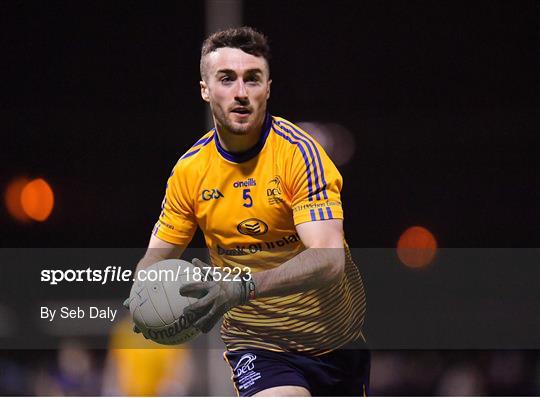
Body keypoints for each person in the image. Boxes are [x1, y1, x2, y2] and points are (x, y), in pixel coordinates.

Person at [132, 26, 369, 397]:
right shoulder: (189, 172)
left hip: (335, 341)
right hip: (257, 345)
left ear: (268, 88)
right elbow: (153, 261)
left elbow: (328, 259)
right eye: (227, 79)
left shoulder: (300, 155)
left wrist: (242, 286)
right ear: (205, 89)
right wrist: (144, 300)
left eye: (252, 79)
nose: (241, 92)